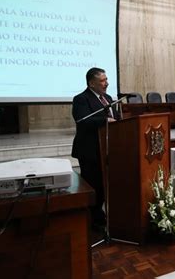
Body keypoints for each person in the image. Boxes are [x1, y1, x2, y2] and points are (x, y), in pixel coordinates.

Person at [71, 67, 119, 228]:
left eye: (106, 79)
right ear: (92, 83)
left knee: (105, 184)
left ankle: (102, 214)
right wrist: (105, 121)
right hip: (89, 150)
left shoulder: (109, 98)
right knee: (94, 185)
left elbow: (116, 119)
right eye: (102, 81)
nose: (107, 83)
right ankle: (93, 219)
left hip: (107, 149)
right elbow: (82, 121)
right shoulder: (81, 99)